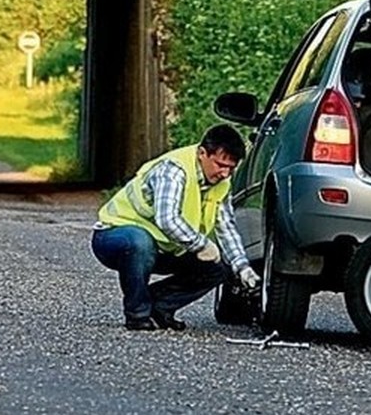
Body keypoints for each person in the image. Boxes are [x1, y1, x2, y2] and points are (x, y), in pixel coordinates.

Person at [92, 124, 261, 331]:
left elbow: (226, 227)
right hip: (115, 236)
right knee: (140, 243)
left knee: (218, 268)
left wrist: (243, 268)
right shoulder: (174, 170)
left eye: (231, 168)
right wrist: (202, 245)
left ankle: (159, 306)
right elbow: (167, 220)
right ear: (202, 153)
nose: (225, 173)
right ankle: (138, 314)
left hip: (163, 247)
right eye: (220, 165)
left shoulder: (221, 183)